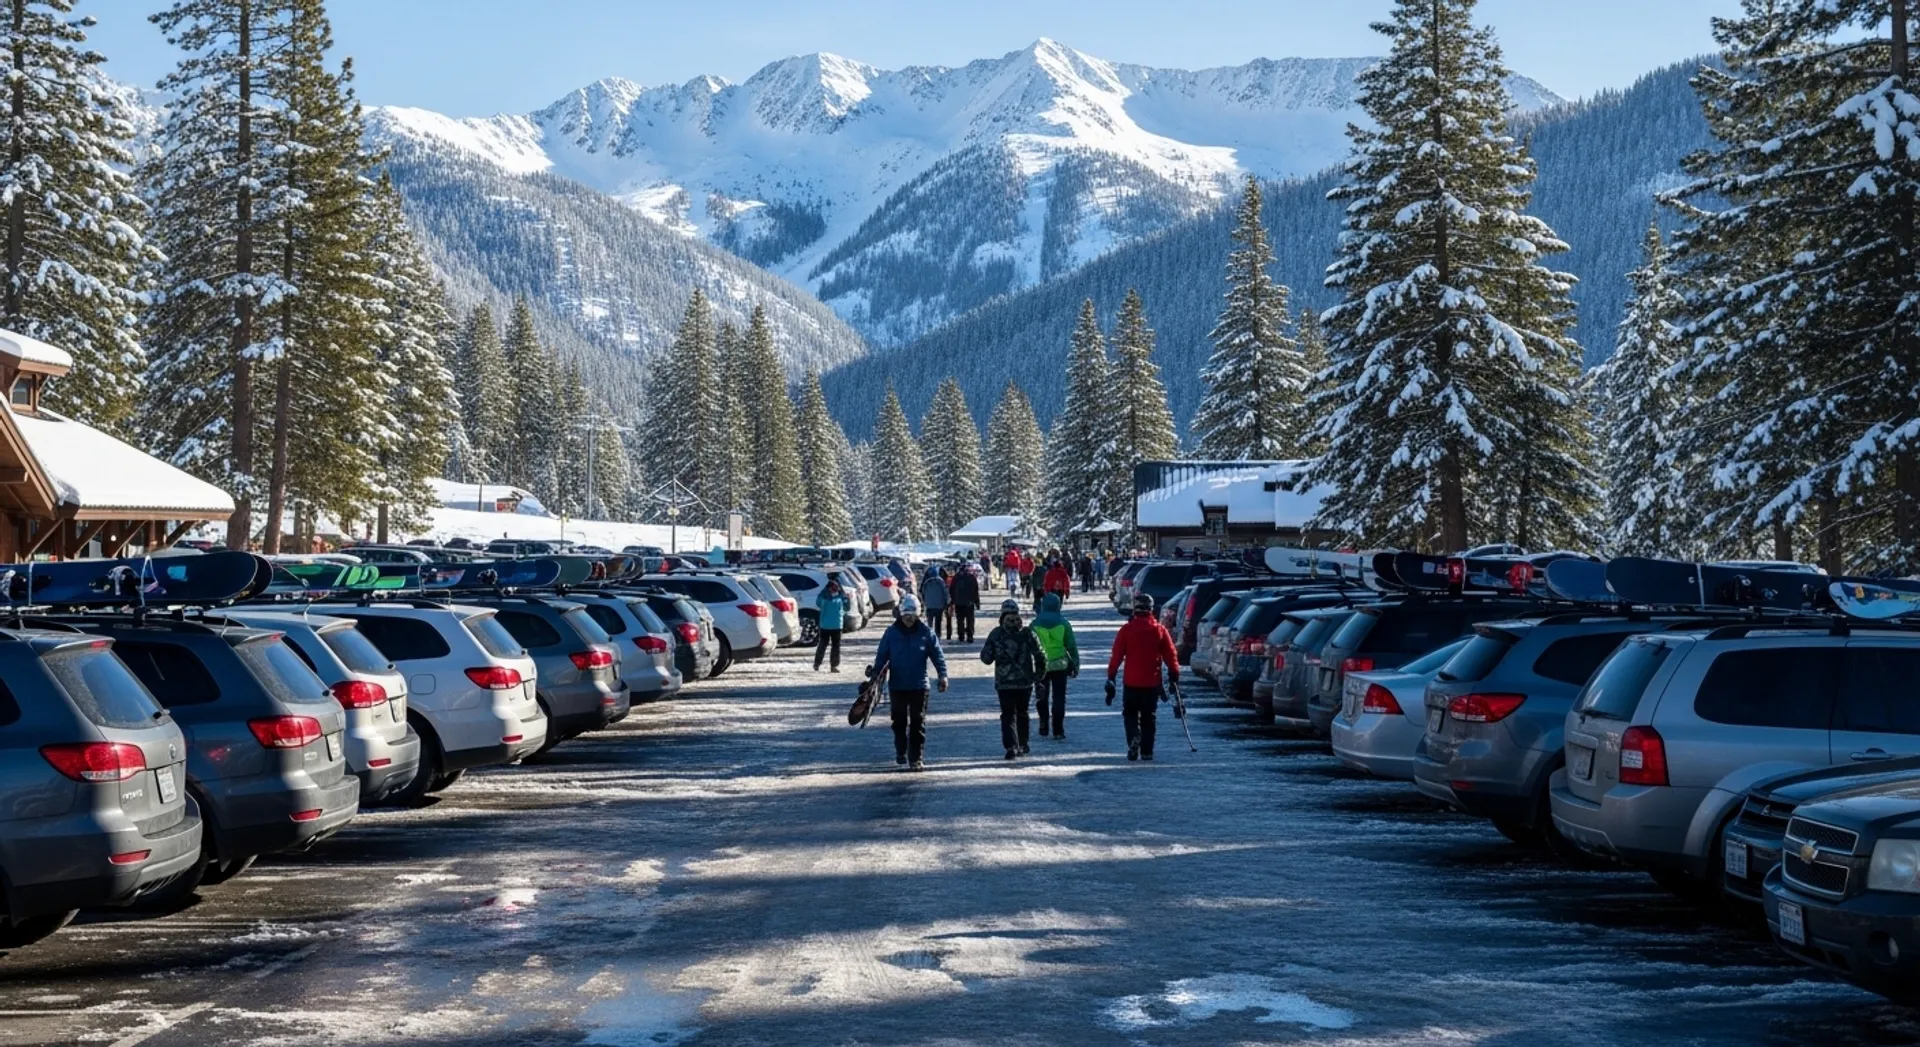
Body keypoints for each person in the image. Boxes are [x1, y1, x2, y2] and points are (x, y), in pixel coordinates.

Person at [868, 594, 949, 771]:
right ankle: (901, 750)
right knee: (899, 721)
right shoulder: (891, 633)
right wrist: (874, 676)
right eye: (906, 615)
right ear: (901, 614)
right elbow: (882, 657)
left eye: (912, 615)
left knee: (918, 722)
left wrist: (943, 675)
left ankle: (916, 758)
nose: (909, 619)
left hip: (919, 685)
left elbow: (937, 656)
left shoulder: (926, 633)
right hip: (897, 686)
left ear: (918, 614)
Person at [1106, 592, 1180, 761]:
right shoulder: (1159, 630)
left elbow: (1116, 655)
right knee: (1149, 717)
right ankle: (1147, 751)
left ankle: (1133, 737)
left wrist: (1111, 675)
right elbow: (1171, 654)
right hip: (1151, 682)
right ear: (1151, 610)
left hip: (1131, 681)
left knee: (1130, 714)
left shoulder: (1126, 630)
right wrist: (1174, 673)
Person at [980, 598, 1047, 760]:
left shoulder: (996, 633)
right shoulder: (1027, 632)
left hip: (1004, 683)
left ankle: (1011, 746)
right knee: (1022, 713)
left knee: (1008, 714)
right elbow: (1040, 655)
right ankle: (1023, 744)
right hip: (1025, 682)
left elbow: (986, 658)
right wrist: (1039, 676)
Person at [1030, 591, 1080, 739]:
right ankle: (1058, 729)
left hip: (1041, 666)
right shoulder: (1064, 623)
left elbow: (1029, 645)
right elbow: (1071, 646)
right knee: (1059, 697)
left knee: (1042, 696)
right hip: (1060, 665)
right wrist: (1075, 664)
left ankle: (1043, 725)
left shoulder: (1035, 624)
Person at [814, 578, 851, 672]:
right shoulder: (840, 597)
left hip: (828, 625)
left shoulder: (823, 597)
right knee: (834, 646)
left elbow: (818, 603)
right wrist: (847, 599)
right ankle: (832, 665)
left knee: (824, 645)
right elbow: (847, 608)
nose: (835, 590)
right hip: (836, 625)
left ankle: (818, 664)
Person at [950, 561, 981, 644]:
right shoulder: (971, 577)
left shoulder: (956, 577)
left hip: (958, 602)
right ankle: (970, 636)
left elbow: (951, 590)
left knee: (960, 620)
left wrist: (952, 601)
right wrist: (977, 603)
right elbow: (975, 591)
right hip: (969, 603)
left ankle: (961, 636)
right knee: (970, 620)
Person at [922, 566, 952, 640]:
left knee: (930, 622)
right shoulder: (941, 581)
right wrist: (947, 601)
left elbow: (923, 593)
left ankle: (929, 634)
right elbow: (945, 593)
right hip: (939, 606)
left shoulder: (927, 582)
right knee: (938, 622)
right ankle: (937, 635)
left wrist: (924, 602)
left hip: (929, 606)